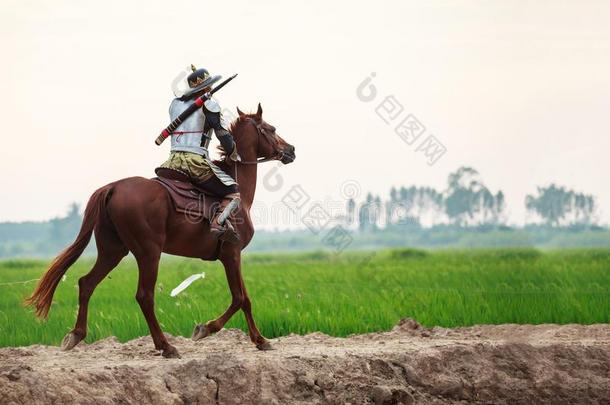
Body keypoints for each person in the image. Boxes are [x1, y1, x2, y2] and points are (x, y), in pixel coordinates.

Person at [159, 65, 241, 243]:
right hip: (195, 162)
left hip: (172, 161)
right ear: (205, 88)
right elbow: (221, 133)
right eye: (209, 86)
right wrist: (232, 153)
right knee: (233, 192)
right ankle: (217, 224)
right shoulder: (210, 104)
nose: (211, 89)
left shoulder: (175, 105)